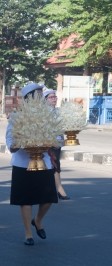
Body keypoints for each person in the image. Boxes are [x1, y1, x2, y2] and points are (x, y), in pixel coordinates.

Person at [6, 83, 58, 246]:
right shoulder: (17, 116)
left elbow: (58, 138)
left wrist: (52, 143)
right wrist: (19, 143)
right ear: (30, 98)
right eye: (38, 94)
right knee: (25, 200)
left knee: (49, 198)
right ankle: (28, 233)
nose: (41, 97)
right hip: (23, 164)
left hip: (44, 162)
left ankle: (38, 220)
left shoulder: (50, 115)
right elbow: (10, 142)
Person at [43, 89, 70, 200]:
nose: (54, 99)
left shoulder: (59, 112)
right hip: (47, 143)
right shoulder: (42, 113)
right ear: (45, 100)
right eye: (51, 97)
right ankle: (57, 189)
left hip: (58, 142)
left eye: (55, 97)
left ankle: (57, 188)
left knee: (56, 164)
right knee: (50, 165)